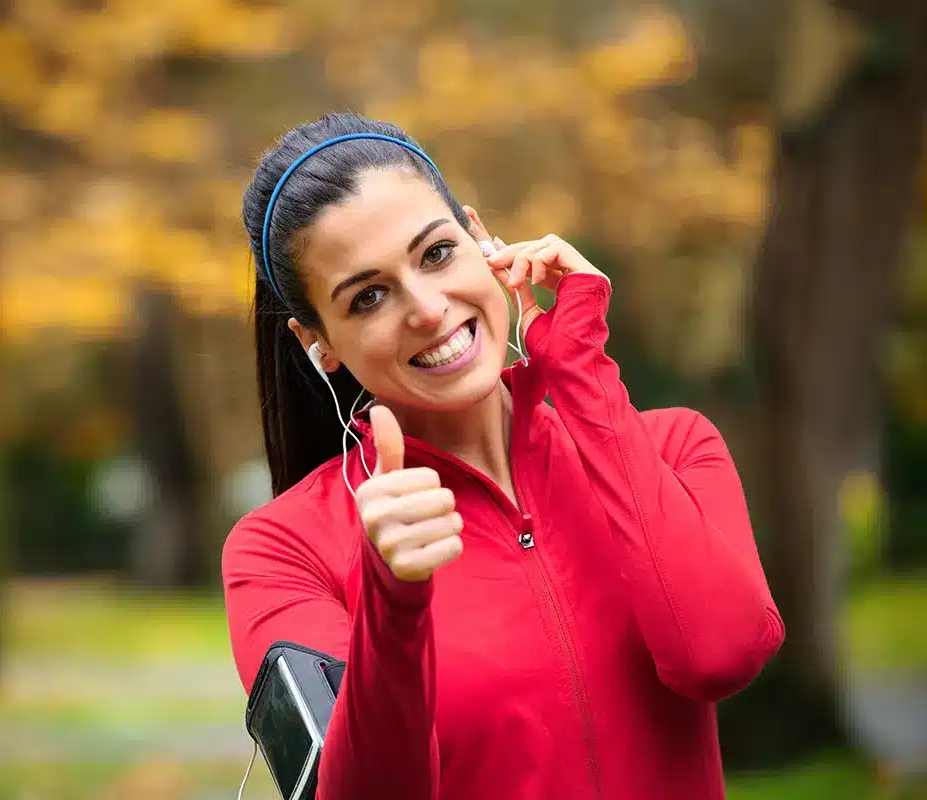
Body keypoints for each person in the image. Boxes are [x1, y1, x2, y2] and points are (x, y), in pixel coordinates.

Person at [222, 112, 784, 799]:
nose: (426, 308)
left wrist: (582, 372)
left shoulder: (673, 447)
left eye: (435, 254)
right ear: (322, 344)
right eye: (368, 297)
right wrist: (393, 601)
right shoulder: (282, 550)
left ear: (479, 237)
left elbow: (719, 656)